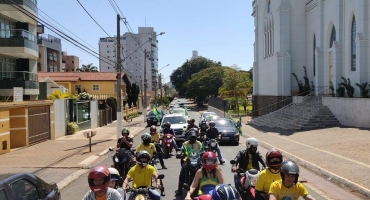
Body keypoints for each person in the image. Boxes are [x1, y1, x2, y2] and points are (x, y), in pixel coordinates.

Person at [175, 131, 204, 196]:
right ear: (189, 137)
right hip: (187, 160)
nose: (193, 139)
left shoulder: (199, 143)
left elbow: (202, 150)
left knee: (204, 171)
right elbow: (181, 150)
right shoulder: (185, 143)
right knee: (182, 173)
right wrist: (180, 153)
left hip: (197, 160)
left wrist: (204, 153)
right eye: (191, 138)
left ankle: (204, 187)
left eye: (194, 138)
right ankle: (179, 190)